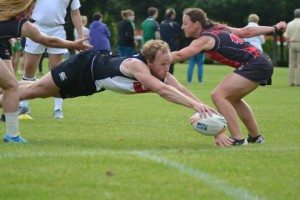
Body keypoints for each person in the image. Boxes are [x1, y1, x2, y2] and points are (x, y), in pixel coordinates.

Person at [0, 40, 214, 132]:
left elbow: (181, 90)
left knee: (40, 92)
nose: (167, 69)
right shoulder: (137, 66)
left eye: (168, 64)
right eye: (163, 64)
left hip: (91, 83)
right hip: (83, 66)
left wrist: (204, 109)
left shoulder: (161, 72)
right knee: (36, 90)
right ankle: (6, 93)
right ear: (149, 62)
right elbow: (164, 91)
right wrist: (195, 107)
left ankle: (6, 88)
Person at [171, 8, 287, 146]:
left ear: (196, 24)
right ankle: (255, 137)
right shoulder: (218, 28)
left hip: (255, 63)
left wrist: (150, 60)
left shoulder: (205, 39)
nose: (182, 26)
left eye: (185, 23)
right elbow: (246, 32)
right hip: (261, 61)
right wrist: (274, 28)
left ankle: (238, 139)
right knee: (234, 99)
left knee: (218, 95)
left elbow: (179, 55)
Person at [0, 0, 92, 143]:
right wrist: (72, 44)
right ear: (27, 5)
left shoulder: (18, 20)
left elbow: (48, 40)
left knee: (8, 86)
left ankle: (11, 128)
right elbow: (48, 41)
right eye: (34, 5)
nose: (35, 9)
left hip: (2, 45)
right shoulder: (20, 22)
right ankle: (12, 136)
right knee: (11, 86)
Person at [20, 0, 85, 119]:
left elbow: (75, 13)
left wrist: (80, 37)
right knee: (29, 68)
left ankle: (58, 109)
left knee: (57, 69)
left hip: (57, 29)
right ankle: (23, 105)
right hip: (36, 27)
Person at [160, 8, 181, 74]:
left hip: (163, 46)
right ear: (172, 15)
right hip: (172, 45)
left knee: (163, 63)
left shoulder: (162, 23)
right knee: (171, 63)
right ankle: (170, 77)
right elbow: (179, 35)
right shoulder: (174, 23)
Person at [284, 9, 300, 86]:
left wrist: (288, 44)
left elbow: (286, 36)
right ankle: (298, 82)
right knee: (299, 64)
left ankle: (291, 81)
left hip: (292, 44)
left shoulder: (290, 24)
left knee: (291, 64)